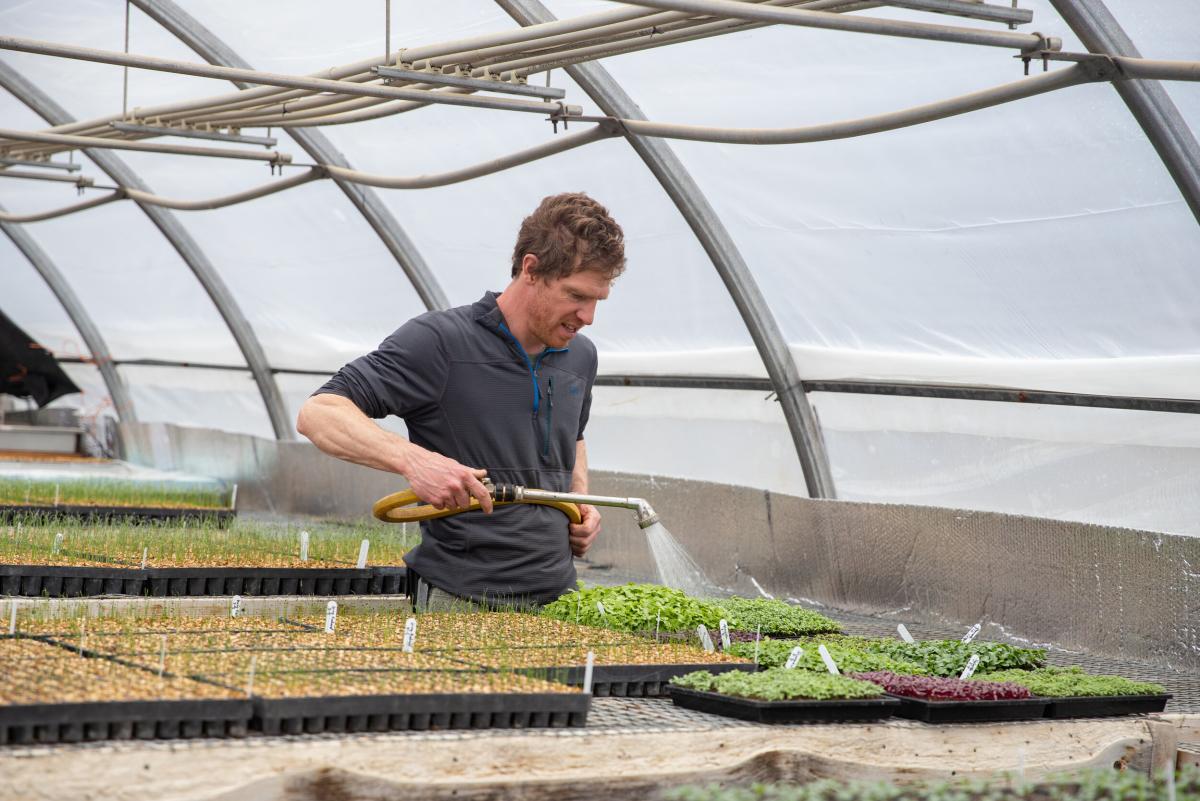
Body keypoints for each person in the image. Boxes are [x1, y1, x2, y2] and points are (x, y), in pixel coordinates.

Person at [297, 192, 625, 611]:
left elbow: (572, 437)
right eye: (576, 296)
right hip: (461, 599)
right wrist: (415, 461)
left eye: (597, 300)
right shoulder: (441, 343)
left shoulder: (581, 355)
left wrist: (579, 501)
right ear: (531, 269)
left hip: (560, 599)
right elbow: (318, 413)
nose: (589, 316)